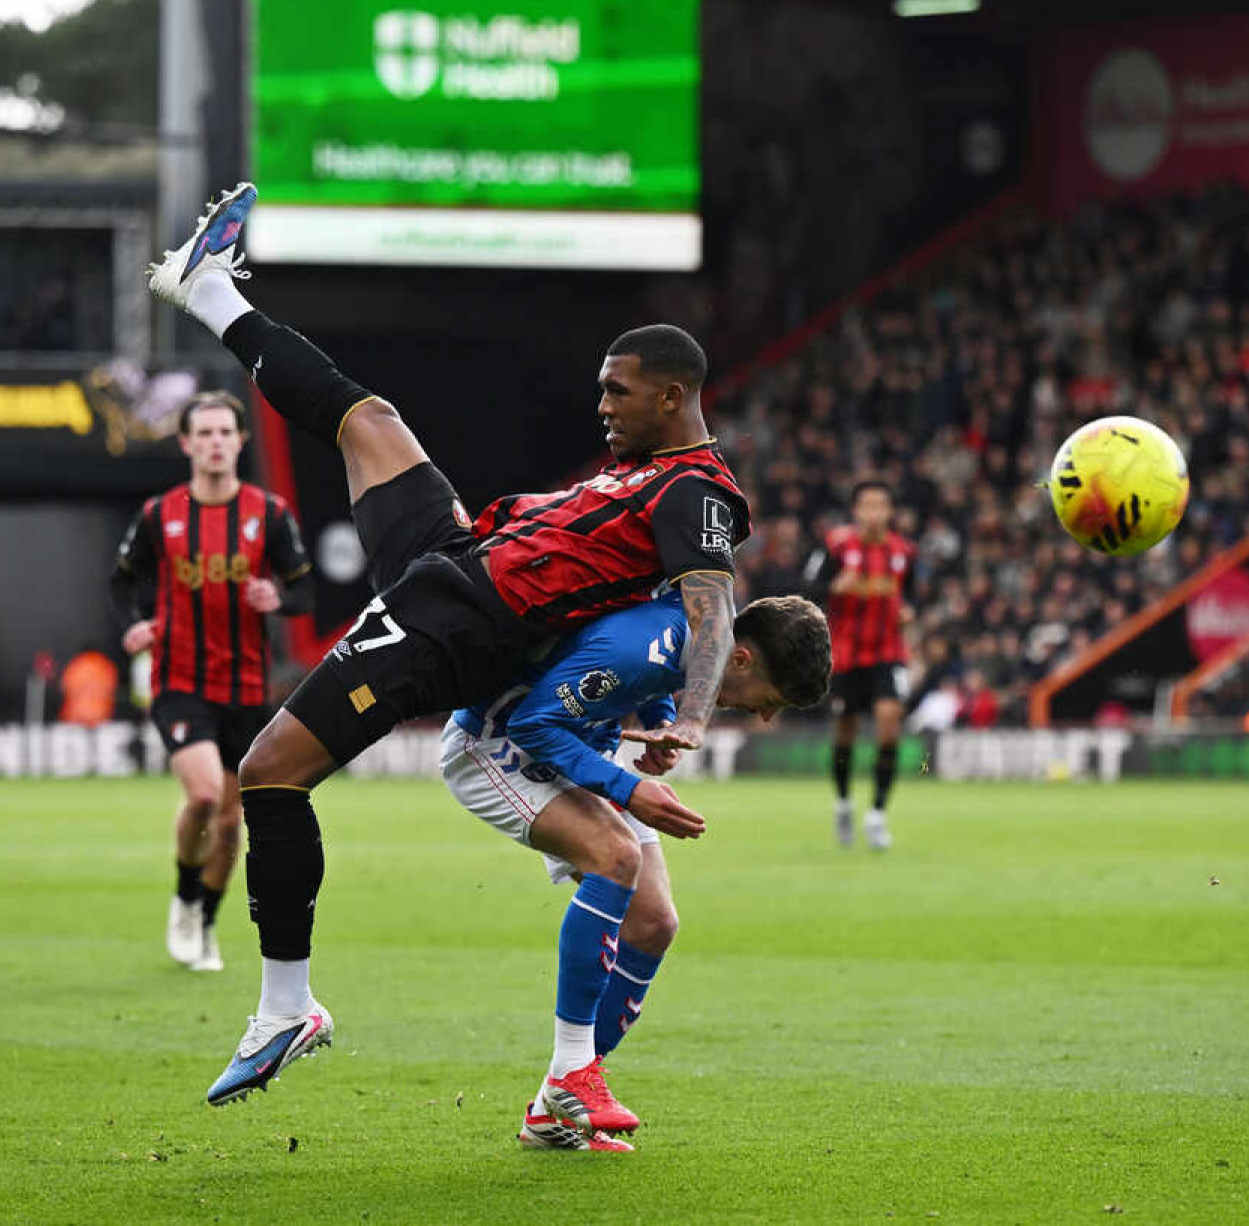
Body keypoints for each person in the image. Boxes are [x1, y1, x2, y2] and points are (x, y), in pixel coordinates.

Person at [148, 183, 752, 1106]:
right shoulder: (643, 469)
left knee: (268, 773)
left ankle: (285, 1010)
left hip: (462, 623)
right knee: (370, 419)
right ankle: (212, 292)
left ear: (674, 397)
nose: (600, 405)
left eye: (617, 392)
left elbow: (711, 606)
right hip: (458, 556)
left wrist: (693, 721)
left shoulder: (697, 491)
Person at [441, 590, 829, 1152]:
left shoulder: (689, 634)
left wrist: (662, 717)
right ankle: (573, 1075)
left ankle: (553, 1110)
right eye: (771, 701)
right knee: (616, 855)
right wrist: (629, 789)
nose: (765, 717)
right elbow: (532, 723)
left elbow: (628, 682)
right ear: (739, 658)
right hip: (495, 742)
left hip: (573, 747)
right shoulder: (641, 652)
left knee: (652, 923)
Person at [110, 391, 314, 974]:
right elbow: (120, 582)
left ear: (241, 440)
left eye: (225, 432)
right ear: (186, 444)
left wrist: (279, 596)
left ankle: (204, 916)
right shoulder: (160, 515)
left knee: (229, 828)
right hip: (179, 679)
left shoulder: (269, 514)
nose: (215, 442)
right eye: (204, 433)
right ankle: (183, 895)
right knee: (202, 796)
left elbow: (304, 590)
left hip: (248, 689)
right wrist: (134, 627)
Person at [804, 480, 915, 850]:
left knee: (889, 723)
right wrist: (834, 587)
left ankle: (878, 814)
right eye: (867, 505)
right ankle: (843, 804)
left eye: (881, 505)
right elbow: (804, 589)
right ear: (855, 511)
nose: (874, 513)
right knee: (846, 731)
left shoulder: (902, 552)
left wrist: (909, 612)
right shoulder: (835, 546)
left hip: (888, 653)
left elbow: (911, 594)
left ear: (890, 511)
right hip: (846, 656)